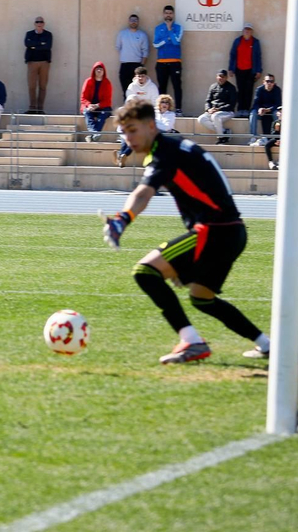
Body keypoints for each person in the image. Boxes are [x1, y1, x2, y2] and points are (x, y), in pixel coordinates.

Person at [102, 101, 271, 365]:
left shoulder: (164, 153)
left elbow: (144, 192)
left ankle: (191, 341)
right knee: (202, 299)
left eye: (132, 130)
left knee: (145, 272)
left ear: (150, 125)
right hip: (232, 231)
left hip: (215, 232)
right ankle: (266, 345)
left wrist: (123, 219)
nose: (128, 138)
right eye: (123, 132)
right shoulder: (175, 146)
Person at [228, 25, 262, 116]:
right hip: (239, 69)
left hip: (251, 70)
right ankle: (240, 109)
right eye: (246, 30)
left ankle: (246, 109)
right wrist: (231, 68)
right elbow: (232, 55)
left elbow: (258, 57)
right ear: (243, 31)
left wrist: (259, 70)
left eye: (249, 30)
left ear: (252, 32)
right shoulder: (237, 41)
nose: (247, 32)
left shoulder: (255, 42)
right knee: (240, 90)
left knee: (248, 90)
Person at [153, 5, 183, 105]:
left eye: (170, 13)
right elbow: (155, 44)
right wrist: (167, 39)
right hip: (161, 62)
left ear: (173, 14)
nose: (168, 15)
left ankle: (178, 109)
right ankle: (162, 108)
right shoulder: (158, 28)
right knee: (162, 87)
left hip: (175, 62)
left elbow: (176, 42)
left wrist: (170, 30)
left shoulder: (178, 27)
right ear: (163, 14)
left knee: (177, 86)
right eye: (166, 13)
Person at [197, 69, 237, 144]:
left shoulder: (231, 88)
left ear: (226, 78)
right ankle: (224, 132)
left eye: (223, 77)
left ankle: (221, 138)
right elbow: (208, 101)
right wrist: (208, 109)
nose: (221, 78)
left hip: (226, 111)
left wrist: (219, 109)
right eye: (219, 76)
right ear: (217, 77)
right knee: (201, 119)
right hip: (213, 111)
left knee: (215, 116)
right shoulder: (213, 87)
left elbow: (232, 104)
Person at [22, 16, 52, 114]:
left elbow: (48, 46)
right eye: (37, 22)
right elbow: (27, 44)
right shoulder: (29, 34)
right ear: (34, 24)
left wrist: (34, 46)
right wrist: (41, 44)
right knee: (32, 86)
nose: (39, 23)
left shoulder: (48, 35)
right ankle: (32, 108)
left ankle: (40, 108)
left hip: (44, 63)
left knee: (42, 86)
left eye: (41, 22)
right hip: (32, 62)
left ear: (43, 23)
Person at [80, 62, 114, 141]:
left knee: (103, 114)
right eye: (97, 69)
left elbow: (108, 100)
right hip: (90, 107)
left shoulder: (107, 83)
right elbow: (83, 98)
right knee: (87, 112)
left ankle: (93, 135)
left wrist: (98, 105)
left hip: (102, 107)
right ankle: (95, 133)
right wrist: (89, 105)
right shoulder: (88, 81)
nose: (99, 71)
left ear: (104, 71)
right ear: (94, 71)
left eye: (101, 69)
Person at [115, 14, 150, 90]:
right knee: (126, 91)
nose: (133, 22)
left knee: (137, 91)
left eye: (135, 20)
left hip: (137, 66)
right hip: (125, 66)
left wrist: (141, 66)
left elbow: (145, 51)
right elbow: (118, 47)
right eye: (132, 20)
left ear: (138, 22)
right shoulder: (122, 34)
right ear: (129, 21)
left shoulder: (142, 35)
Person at [250, 72, 282, 142]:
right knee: (253, 113)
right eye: (267, 81)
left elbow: (278, 104)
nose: (269, 83)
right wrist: (259, 109)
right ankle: (253, 137)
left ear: (274, 83)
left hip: (272, 111)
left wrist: (268, 110)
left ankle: (278, 137)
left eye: (271, 81)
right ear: (264, 82)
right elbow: (255, 104)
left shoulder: (277, 90)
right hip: (261, 112)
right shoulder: (259, 89)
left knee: (278, 113)